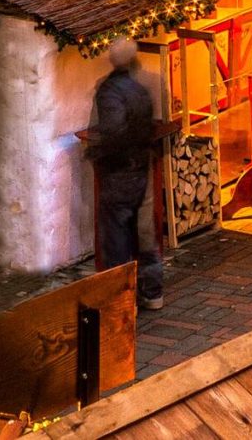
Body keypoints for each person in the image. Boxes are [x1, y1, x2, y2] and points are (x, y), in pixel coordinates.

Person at [85, 39, 166, 309]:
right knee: (144, 232)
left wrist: (98, 153)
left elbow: (114, 130)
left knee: (117, 234)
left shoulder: (110, 91)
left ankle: (120, 299)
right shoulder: (141, 90)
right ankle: (153, 291)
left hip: (120, 170)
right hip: (141, 166)